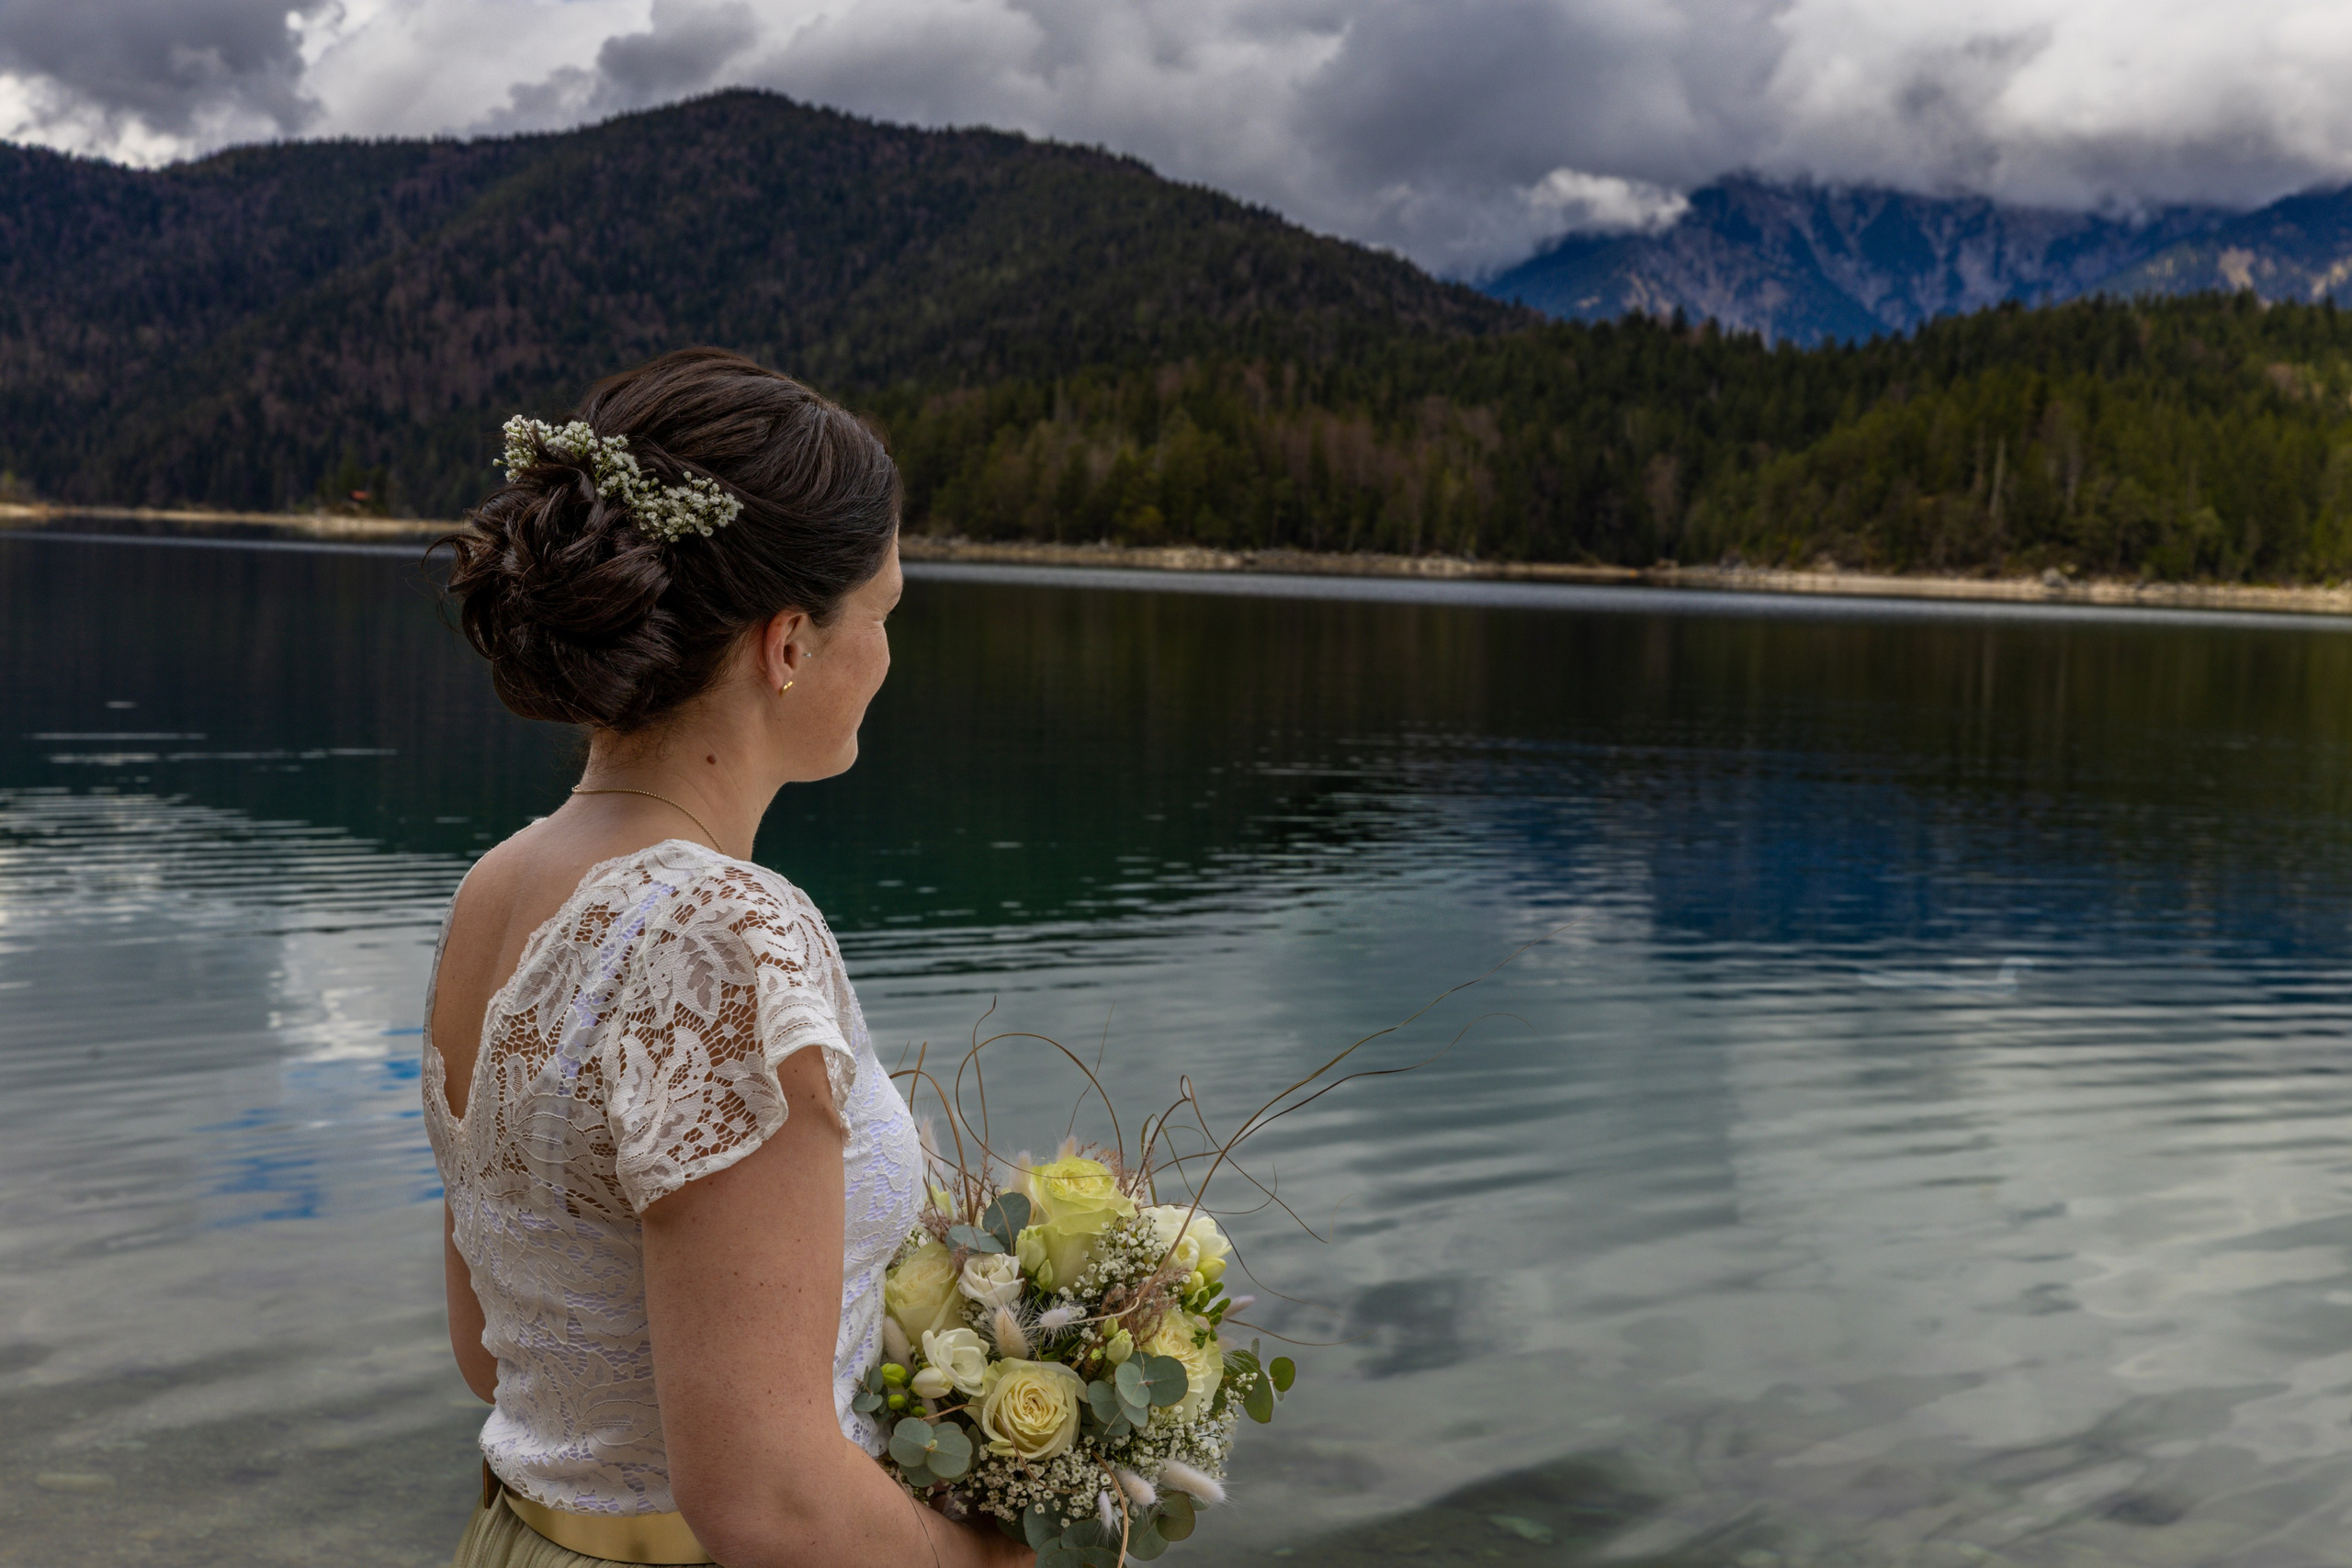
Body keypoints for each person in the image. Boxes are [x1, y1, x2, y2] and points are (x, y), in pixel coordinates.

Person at [424, 348, 1030, 1568]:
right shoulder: (727, 933)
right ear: (790, 643)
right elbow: (767, 1503)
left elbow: (494, 1346)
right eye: (886, 614)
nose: (890, 657)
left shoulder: (501, 890)